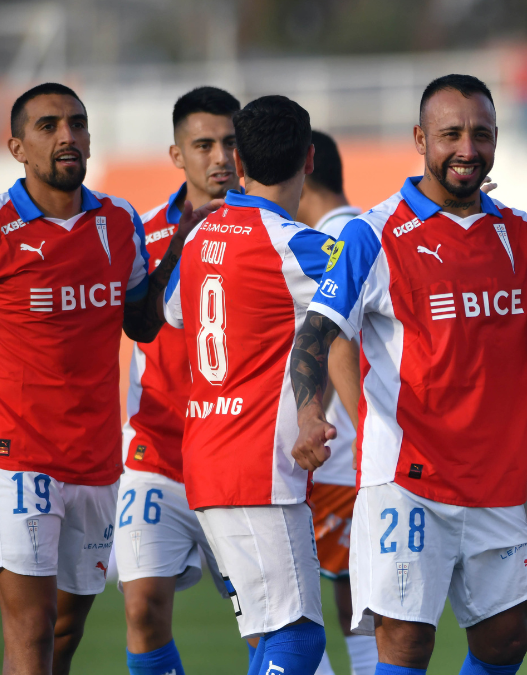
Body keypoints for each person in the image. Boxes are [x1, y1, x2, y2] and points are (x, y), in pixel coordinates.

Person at [290, 74, 527, 675]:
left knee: (507, 640)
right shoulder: (373, 234)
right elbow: (318, 332)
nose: (467, 148)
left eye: (481, 134)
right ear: (420, 139)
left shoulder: (517, 234)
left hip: (494, 480)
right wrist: (310, 414)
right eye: (451, 134)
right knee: (406, 644)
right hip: (405, 478)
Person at [0, 82, 205, 675]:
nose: (68, 136)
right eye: (49, 125)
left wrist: (182, 240)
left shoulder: (119, 220)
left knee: (64, 632)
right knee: (30, 637)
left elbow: (140, 322)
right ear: (17, 147)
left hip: (98, 459)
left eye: (77, 124)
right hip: (20, 455)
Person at [164, 94, 333, 675]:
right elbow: (369, 276)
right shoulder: (295, 245)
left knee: (266, 637)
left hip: (206, 458)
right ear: (309, 159)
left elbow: (173, 315)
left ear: (239, 164)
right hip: (258, 466)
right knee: (299, 639)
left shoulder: (198, 237)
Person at [116, 85, 241, 675]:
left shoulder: (273, 231)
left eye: (230, 143)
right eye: (204, 144)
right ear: (176, 154)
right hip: (157, 455)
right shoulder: (139, 236)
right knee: (142, 610)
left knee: (267, 623)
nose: (220, 157)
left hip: (239, 460)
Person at [295, 129, 377, 675]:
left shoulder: (331, 243)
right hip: (356, 451)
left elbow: (334, 341)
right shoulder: (369, 228)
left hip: (343, 456)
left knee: (316, 604)